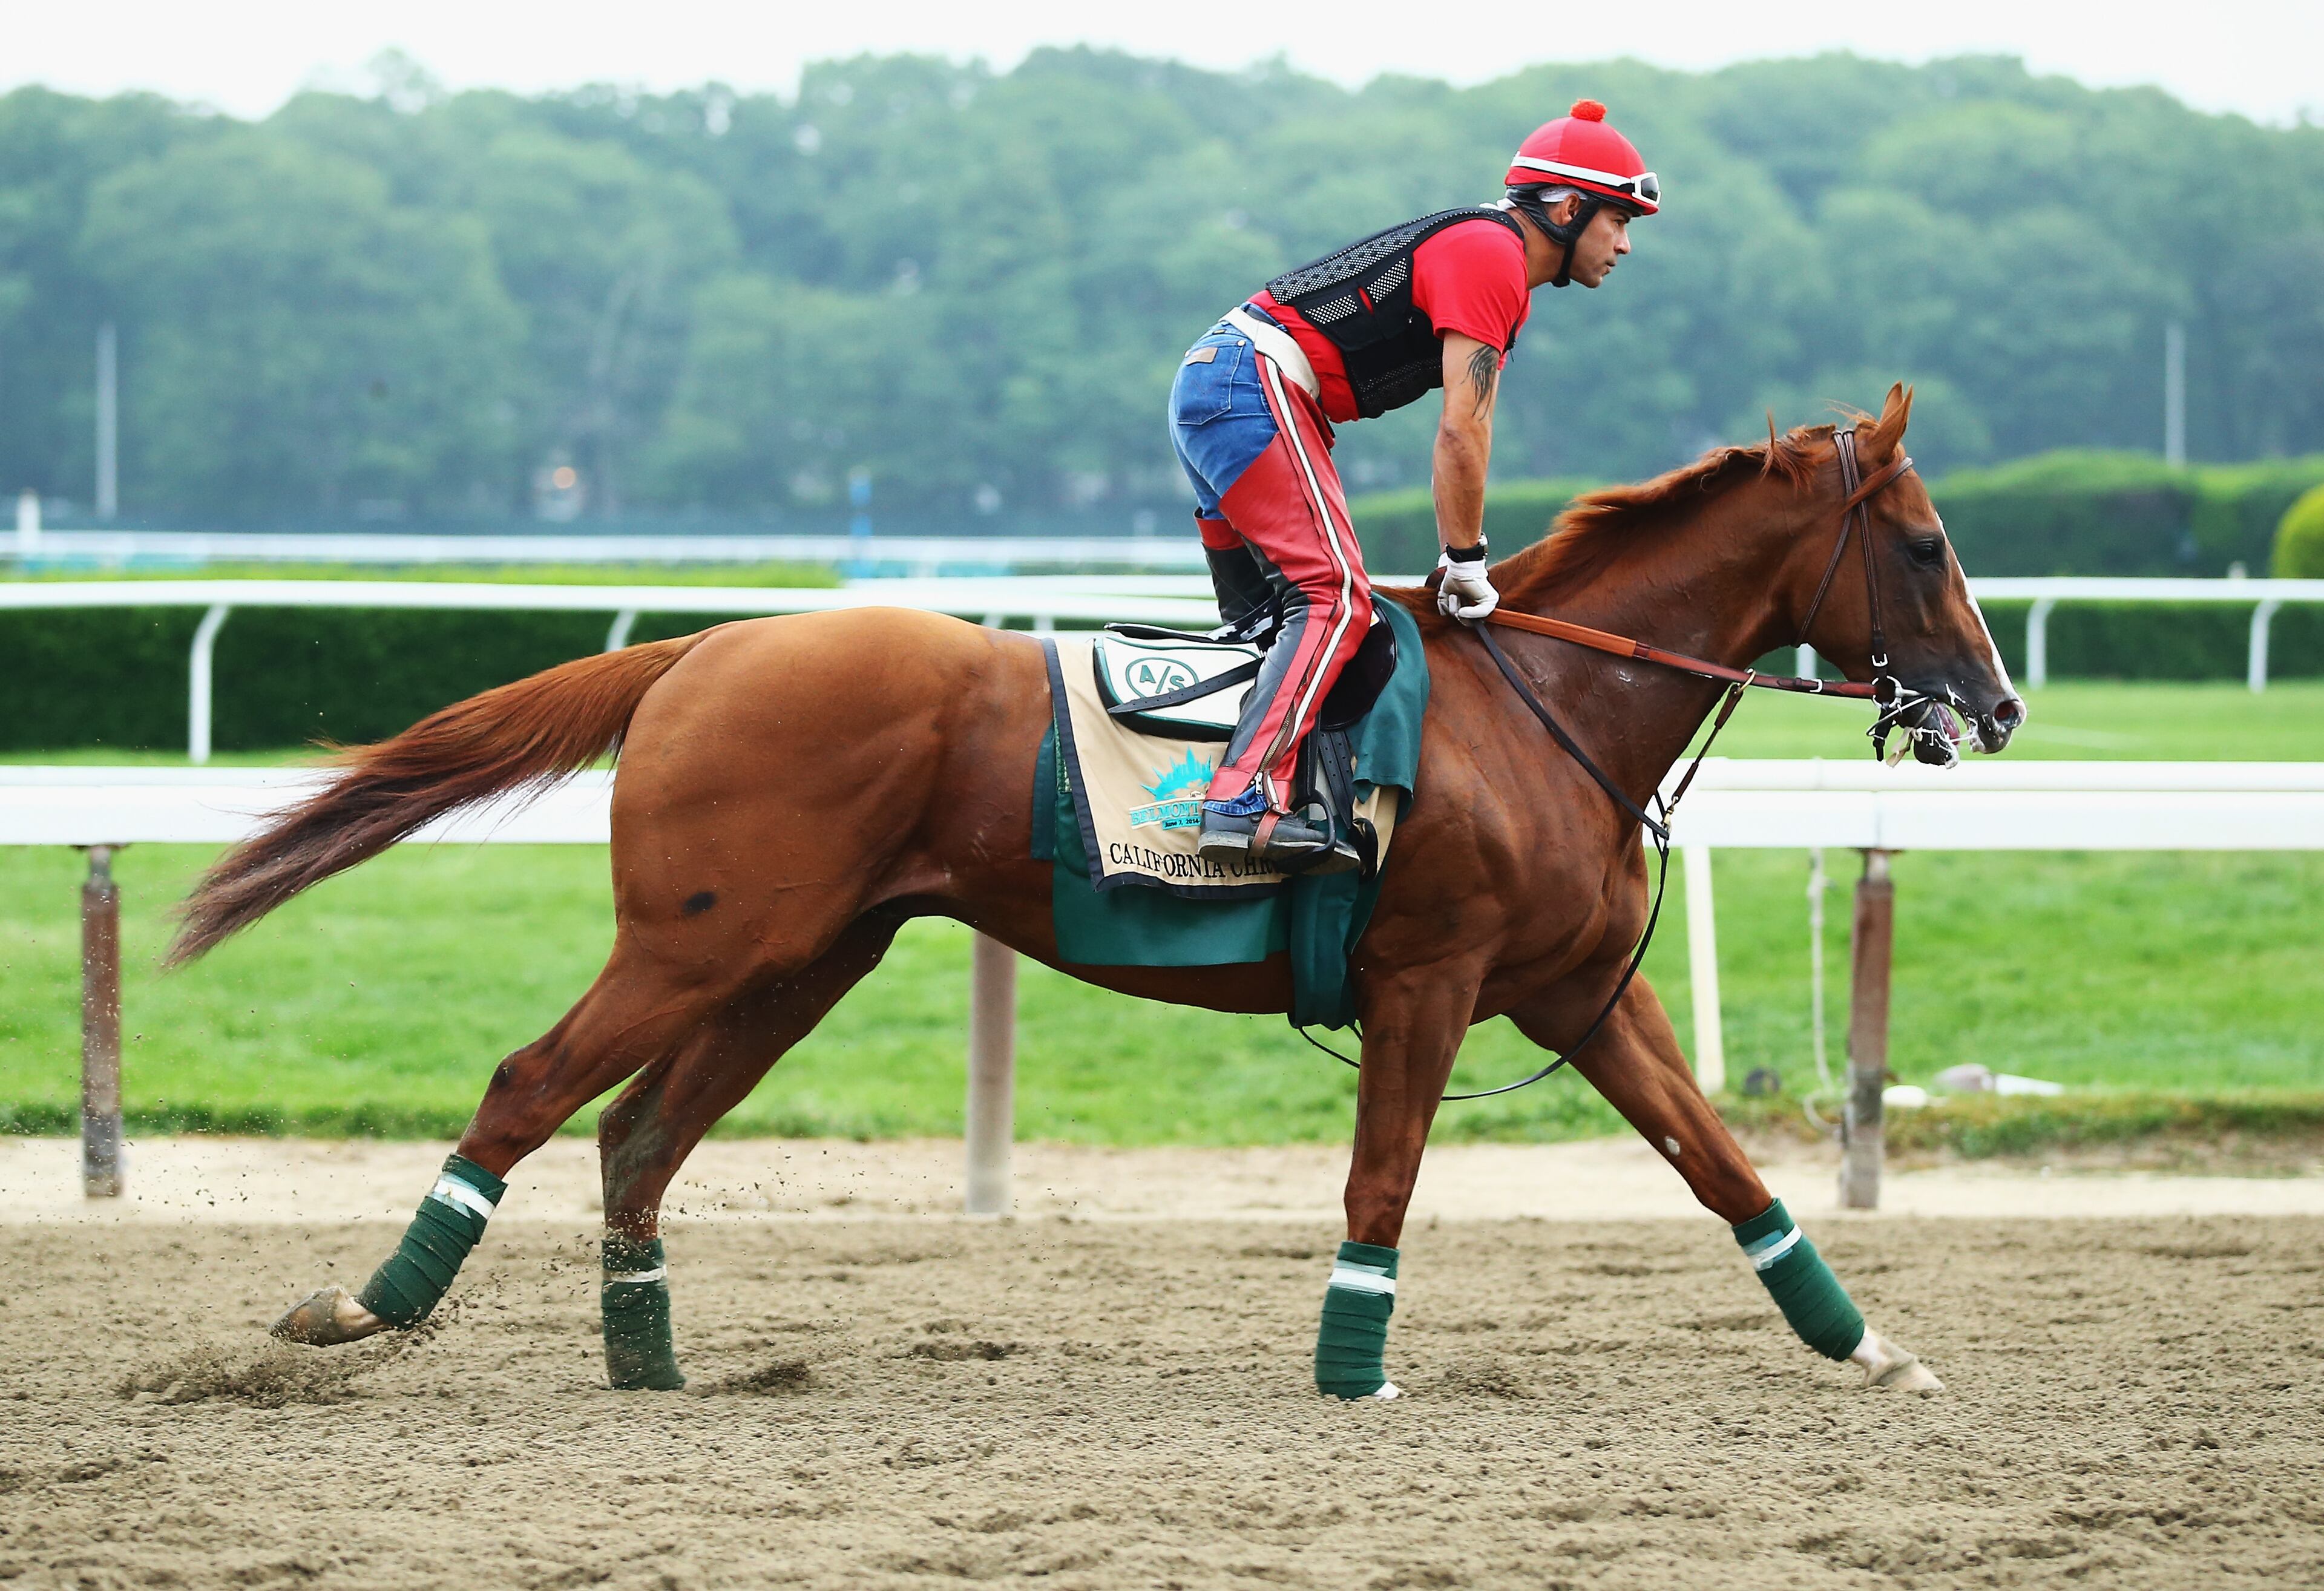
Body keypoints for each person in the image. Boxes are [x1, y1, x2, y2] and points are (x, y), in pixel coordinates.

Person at [1168, 99, 1659, 873]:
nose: (1625, 245)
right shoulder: (1494, 258)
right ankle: (1240, 804)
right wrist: (1467, 560)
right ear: (1570, 209)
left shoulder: (1492, 257)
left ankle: (1247, 797)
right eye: (1619, 222)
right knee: (1336, 599)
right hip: (1250, 389)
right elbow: (1465, 430)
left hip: (1224, 387)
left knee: (1271, 628)